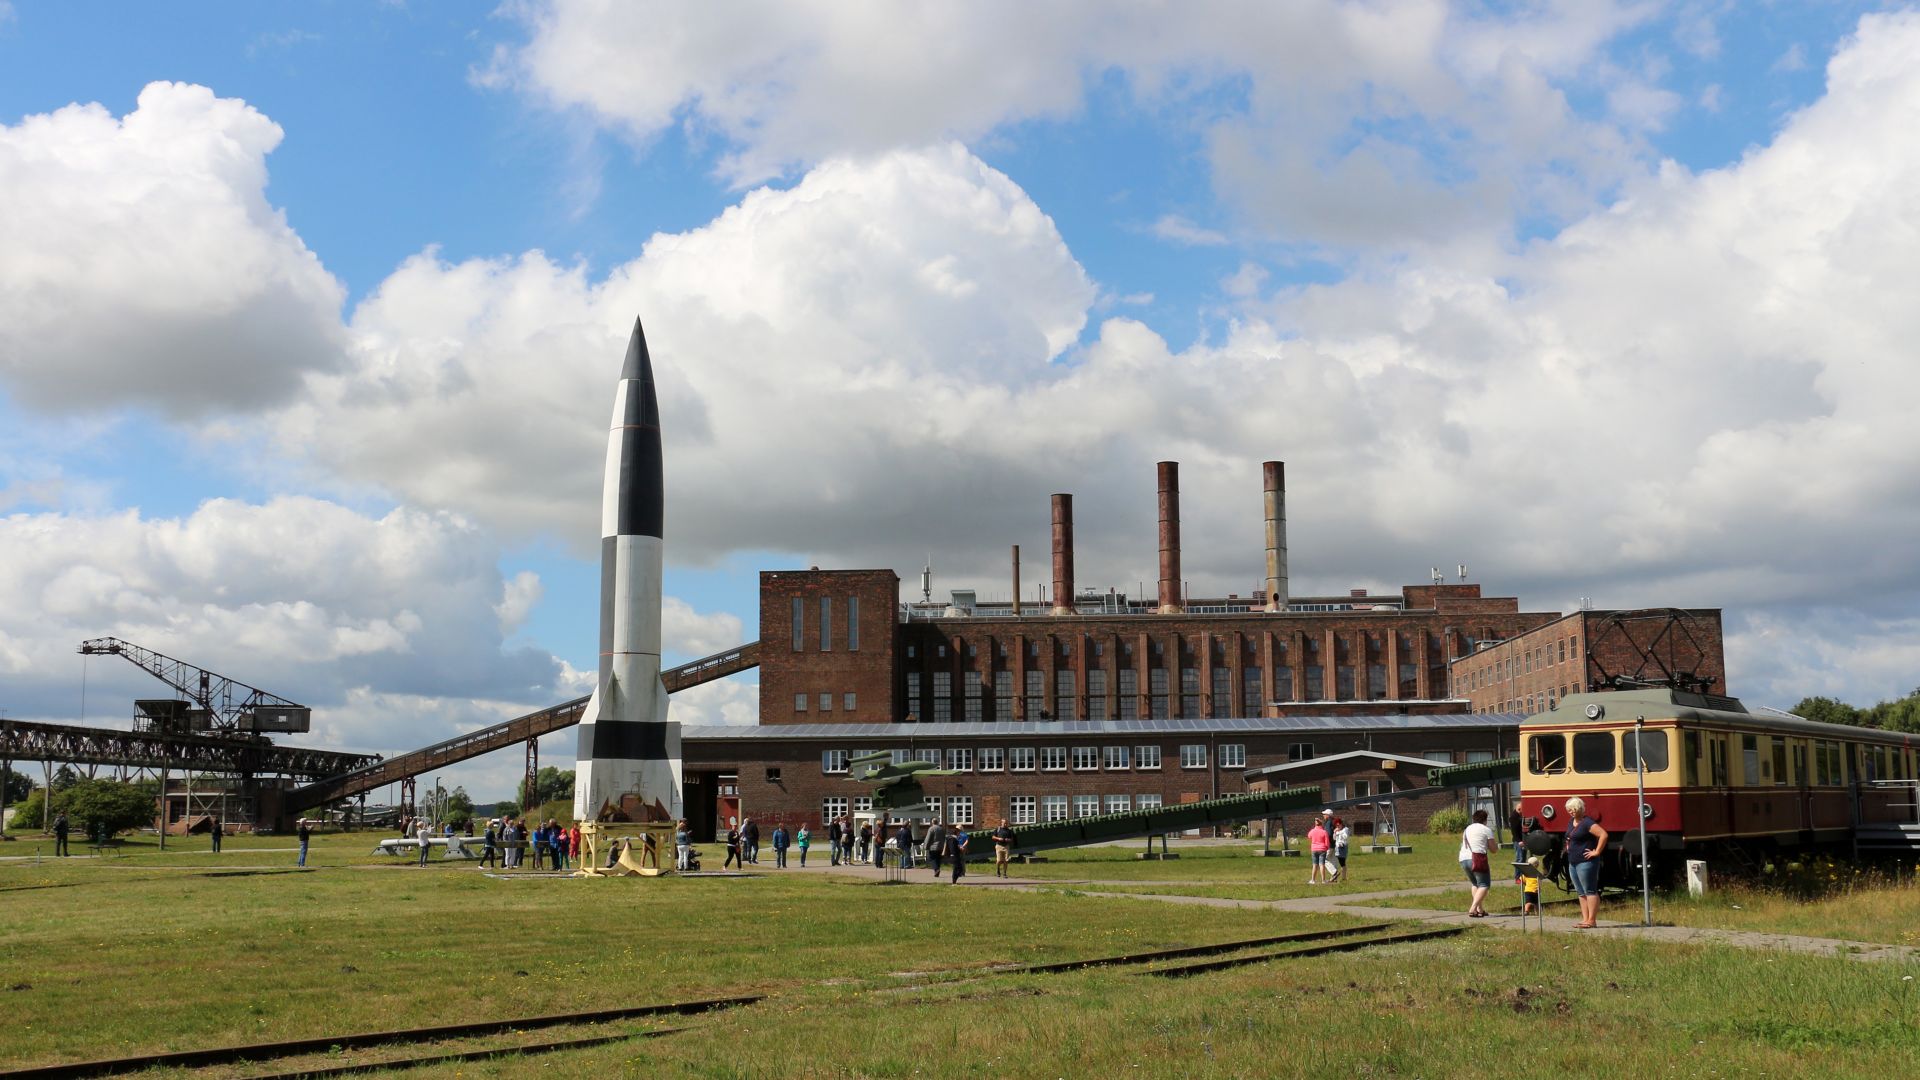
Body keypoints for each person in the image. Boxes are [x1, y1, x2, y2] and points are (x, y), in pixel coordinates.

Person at [1563, 797, 1609, 929]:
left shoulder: (1587, 822)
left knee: (1590, 891)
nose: (1571, 812)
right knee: (1580, 892)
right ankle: (1585, 919)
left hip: (1586, 862)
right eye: (1569, 809)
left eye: (1573, 809)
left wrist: (1597, 852)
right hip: (1573, 862)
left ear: (1580, 809)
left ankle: (1592, 920)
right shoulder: (1571, 822)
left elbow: (1603, 835)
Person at [1459, 808, 1498, 917]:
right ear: (1485, 820)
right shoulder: (1486, 830)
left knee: (1475, 883)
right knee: (1484, 884)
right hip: (1477, 858)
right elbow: (1493, 849)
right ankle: (1473, 908)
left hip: (1463, 859)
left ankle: (1479, 909)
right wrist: (1496, 846)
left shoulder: (1467, 829)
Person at [1306, 815, 1331, 885]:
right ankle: (1323, 880)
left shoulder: (1312, 831)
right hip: (1322, 849)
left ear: (1315, 824)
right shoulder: (1324, 832)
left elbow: (1309, 836)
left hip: (1314, 849)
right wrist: (1326, 848)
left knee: (1314, 865)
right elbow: (1327, 843)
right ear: (1321, 824)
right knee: (1322, 864)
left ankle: (1313, 880)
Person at [1330, 817, 1350, 884]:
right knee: (1339, 862)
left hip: (1343, 847)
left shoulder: (1345, 829)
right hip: (1337, 847)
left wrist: (1339, 832)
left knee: (1342, 862)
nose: (1337, 826)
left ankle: (1343, 877)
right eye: (1336, 825)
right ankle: (1340, 875)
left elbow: (1346, 837)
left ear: (1341, 824)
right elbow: (1334, 838)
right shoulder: (1336, 830)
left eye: (1338, 825)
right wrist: (1335, 832)